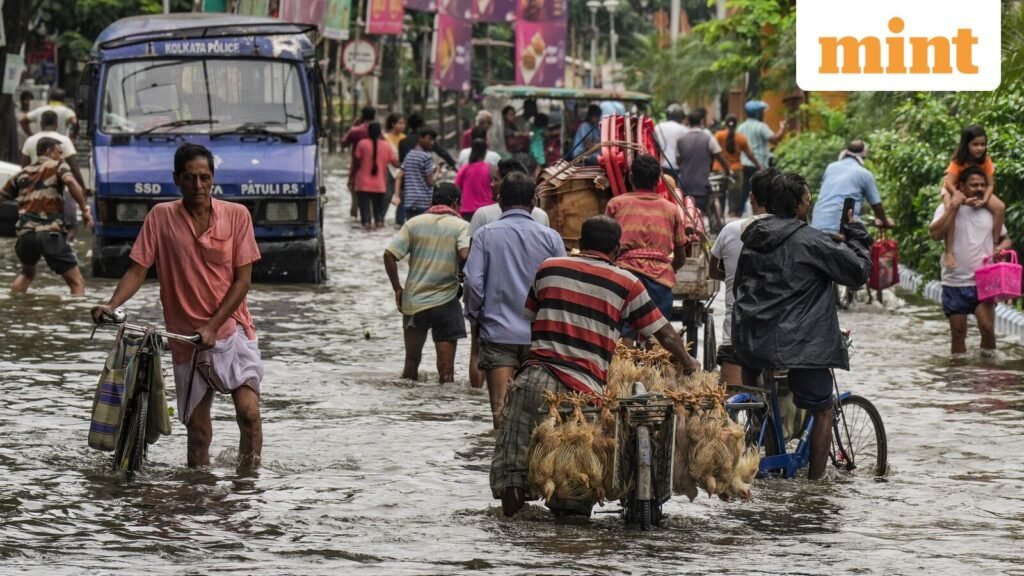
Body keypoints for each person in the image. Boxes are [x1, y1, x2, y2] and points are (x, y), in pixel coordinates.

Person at [491, 215, 701, 517]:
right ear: (617, 249)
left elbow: (531, 319)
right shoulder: (626, 282)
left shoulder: (549, 268)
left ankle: (515, 541)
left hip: (533, 381)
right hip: (581, 395)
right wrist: (688, 362)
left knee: (513, 468)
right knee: (574, 481)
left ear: (580, 243)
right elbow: (665, 333)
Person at [90, 143, 264, 469]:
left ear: (213, 179)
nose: (198, 186)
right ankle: (197, 499)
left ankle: (248, 486)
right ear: (177, 180)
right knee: (197, 432)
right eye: (190, 178)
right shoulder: (161, 217)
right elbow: (138, 270)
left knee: (249, 415)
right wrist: (111, 305)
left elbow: (243, 281)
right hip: (186, 340)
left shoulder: (237, 215)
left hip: (231, 330)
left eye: (204, 178)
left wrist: (213, 326)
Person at [733, 172, 870, 480]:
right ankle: (815, 487)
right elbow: (857, 271)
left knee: (762, 402)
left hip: (753, 340)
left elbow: (740, 286)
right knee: (822, 409)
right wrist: (858, 236)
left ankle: (758, 453)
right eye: (808, 199)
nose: (810, 204)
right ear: (797, 205)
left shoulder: (753, 238)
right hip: (802, 345)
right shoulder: (811, 239)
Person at [464, 172, 566, 428]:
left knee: (501, 413)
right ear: (534, 201)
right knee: (540, 416)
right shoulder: (551, 237)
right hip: (540, 337)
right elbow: (561, 286)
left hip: (498, 334)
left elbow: (473, 283)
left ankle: (501, 466)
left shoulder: (485, 235)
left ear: (500, 201)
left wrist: (476, 317)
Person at [383, 183, 471, 382]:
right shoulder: (462, 226)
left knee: (410, 366)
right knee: (446, 373)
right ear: (456, 203)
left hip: (415, 302)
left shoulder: (414, 223)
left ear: (433, 201)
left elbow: (389, 255)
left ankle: (410, 409)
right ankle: (443, 409)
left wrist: (398, 288)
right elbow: (465, 254)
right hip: (446, 302)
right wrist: (462, 272)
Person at [603, 154, 688, 347]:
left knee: (625, 329)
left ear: (631, 177)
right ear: (658, 180)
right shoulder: (671, 209)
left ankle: (623, 370)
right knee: (657, 332)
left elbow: (605, 246)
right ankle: (654, 368)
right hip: (660, 278)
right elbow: (681, 255)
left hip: (624, 274)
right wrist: (669, 269)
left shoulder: (616, 204)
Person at [929, 166, 1012, 356]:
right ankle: (960, 377)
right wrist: (952, 208)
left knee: (987, 327)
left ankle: (987, 371)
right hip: (955, 280)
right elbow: (935, 233)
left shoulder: (990, 211)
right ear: (962, 187)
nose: (979, 189)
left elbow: (1006, 238)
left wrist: (1000, 248)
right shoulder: (945, 207)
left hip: (985, 281)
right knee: (958, 334)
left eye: (983, 185)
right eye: (974, 185)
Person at [708, 168, 776, 386]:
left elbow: (713, 271)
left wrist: (734, 277)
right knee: (778, 412)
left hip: (735, 333)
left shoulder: (730, 230)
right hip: (777, 336)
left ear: (751, 197)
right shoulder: (792, 232)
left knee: (730, 404)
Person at [1, 137, 92, 295]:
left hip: (25, 235)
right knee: (77, 281)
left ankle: (17, 305)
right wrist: (85, 209)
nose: (62, 156)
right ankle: (74, 315)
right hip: (50, 232)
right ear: (49, 151)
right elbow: (70, 182)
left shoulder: (22, 173)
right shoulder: (58, 166)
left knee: (27, 274)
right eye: (59, 152)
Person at [939, 125, 1004, 269]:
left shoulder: (986, 160)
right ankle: (949, 250)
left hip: (977, 190)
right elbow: (948, 183)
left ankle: (994, 244)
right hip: (954, 189)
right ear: (966, 144)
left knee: (1000, 207)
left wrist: (984, 200)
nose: (979, 148)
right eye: (975, 144)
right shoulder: (958, 160)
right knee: (951, 208)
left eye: (982, 144)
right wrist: (960, 199)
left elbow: (990, 185)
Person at [810, 140, 893, 235]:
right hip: (841, 230)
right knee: (862, 243)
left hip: (816, 227)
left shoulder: (831, 167)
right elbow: (876, 205)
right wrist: (885, 222)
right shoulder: (864, 174)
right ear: (864, 156)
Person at [469, 159, 549, 234]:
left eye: (496, 180)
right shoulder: (542, 216)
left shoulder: (483, 214)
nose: (491, 184)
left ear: (508, 182)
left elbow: (473, 248)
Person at [676, 110, 731, 211]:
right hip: (702, 186)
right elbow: (721, 158)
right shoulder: (709, 138)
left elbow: (678, 162)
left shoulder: (681, 140)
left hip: (684, 186)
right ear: (701, 121)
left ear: (688, 122)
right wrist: (728, 171)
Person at [713, 114, 763, 217]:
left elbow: (713, 151)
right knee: (735, 193)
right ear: (736, 125)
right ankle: (733, 212)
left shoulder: (718, 135)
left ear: (725, 124)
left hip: (719, 168)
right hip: (736, 170)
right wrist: (758, 166)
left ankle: (719, 213)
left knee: (720, 192)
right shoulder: (741, 138)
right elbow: (749, 155)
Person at [737, 100, 786, 201]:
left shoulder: (740, 127)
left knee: (745, 189)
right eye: (762, 112)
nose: (763, 114)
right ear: (757, 113)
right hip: (758, 164)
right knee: (760, 192)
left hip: (744, 164)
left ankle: (740, 212)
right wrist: (782, 128)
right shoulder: (761, 126)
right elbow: (775, 139)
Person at [353, 122, 400, 229]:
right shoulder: (387, 146)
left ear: (368, 132)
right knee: (379, 217)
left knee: (365, 217)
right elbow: (395, 163)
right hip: (380, 184)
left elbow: (356, 162)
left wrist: (352, 178)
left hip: (362, 184)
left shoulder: (362, 144)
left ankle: (365, 237)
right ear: (380, 132)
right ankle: (378, 238)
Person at [396, 127, 441, 221]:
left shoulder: (409, 155)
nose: (432, 142)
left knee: (412, 231)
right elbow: (430, 182)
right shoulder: (427, 157)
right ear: (420, 138)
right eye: (429, 139)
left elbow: (399, 175)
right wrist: (437, 172)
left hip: (409, 202)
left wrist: (397, 195)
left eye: (433, 140)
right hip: (423, 203)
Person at [342, 106, 377, 218]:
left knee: (355, 203)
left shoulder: (355, 131)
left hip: (357, 170)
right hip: (375, 171)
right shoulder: (378, 131)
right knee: (371, 205)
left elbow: (344, 143)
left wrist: (353, 126)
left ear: (362, 116)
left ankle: (355, 227)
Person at [454, 138, 497, 221]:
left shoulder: (464, 169)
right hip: (488, 209)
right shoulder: (491, 169)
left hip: (468, 211)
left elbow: (456, 188)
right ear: (485, 152)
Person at [382, 113, 406, 218]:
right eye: (399, 123)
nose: (402, 126)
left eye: (403, 123)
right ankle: (380, 218)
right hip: (388, 170)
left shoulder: (404, 138)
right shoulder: (385, 138)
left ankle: (399, 222)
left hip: (401, 170)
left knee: (402, 197)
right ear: (392, 124)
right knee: (387, 196)